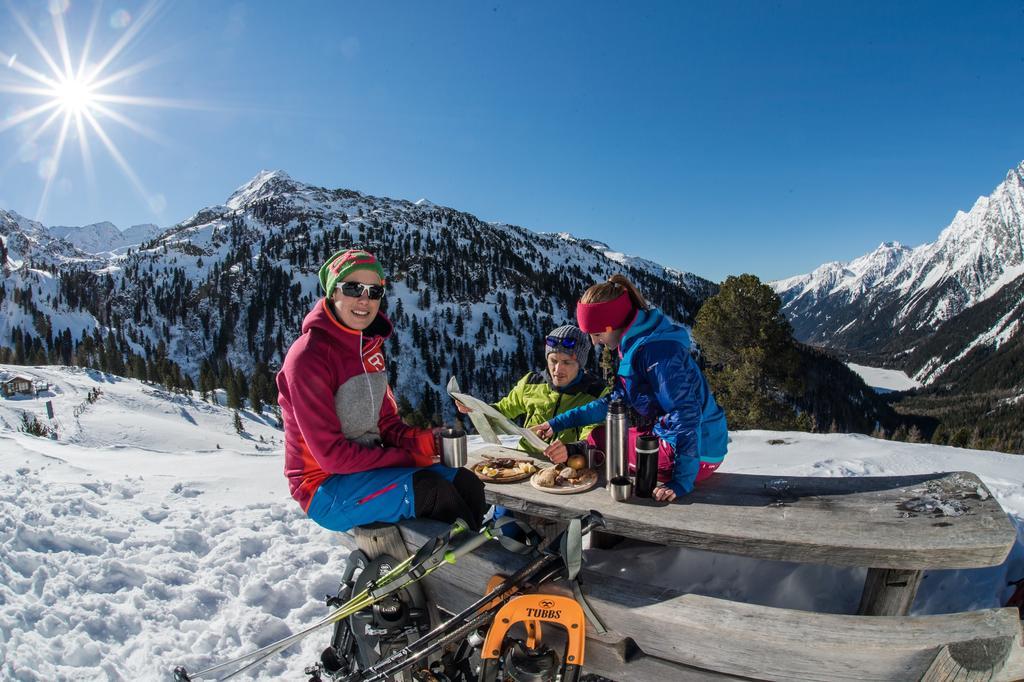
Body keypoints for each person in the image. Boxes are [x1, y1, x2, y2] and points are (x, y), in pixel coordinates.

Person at [276, 248, 486, 532]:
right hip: (324, 488)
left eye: (374, 291)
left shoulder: (369, 350)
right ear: (332, 293)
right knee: (433, 491)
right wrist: (411, 457)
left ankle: (473, 562)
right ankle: (467, 570)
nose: (365, 299)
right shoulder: (308, 357)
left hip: (369, 471)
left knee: (464, 481)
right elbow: (331, 456)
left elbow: (387, 425)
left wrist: (425, 442)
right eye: (353, 288)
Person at [531, 275, 728, 502]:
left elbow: (685, 413)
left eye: (597, 334)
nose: (594, 342)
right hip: (683, 439)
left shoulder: (657, 353)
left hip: (700, 451)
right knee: (602, 437)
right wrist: (556, 423)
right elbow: (614, 403)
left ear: (613, 324)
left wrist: (682, 481)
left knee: (606, 449)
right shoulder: (638, 343)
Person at [456, 325, 605, 458]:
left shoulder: (596, 394)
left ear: (580, 364)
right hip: (526, 460)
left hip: (568, 466)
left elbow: (592, 436)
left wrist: (572, 450)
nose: (557, 370)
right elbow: (503, 410)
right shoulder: (531, 382)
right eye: (553, 360)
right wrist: (476, 408)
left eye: (566, 362)